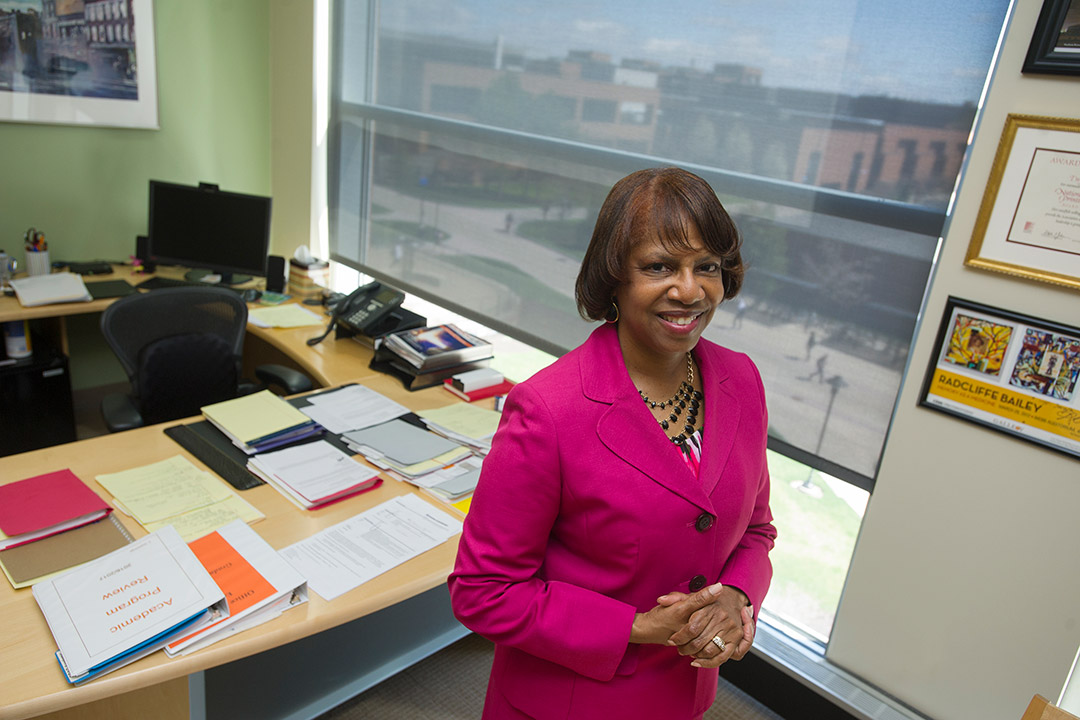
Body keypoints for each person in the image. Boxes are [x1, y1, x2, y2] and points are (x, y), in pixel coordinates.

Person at [449, 167, 776, 719]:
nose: (690, 290)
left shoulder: (740, 379)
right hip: (568, 702)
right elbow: (484, 590)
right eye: (659, 267)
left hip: (682, 697)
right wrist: (641, 627)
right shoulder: (549, 410)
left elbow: (757, 530)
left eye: (707, 267)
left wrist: (738, 597)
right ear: (613, 278)